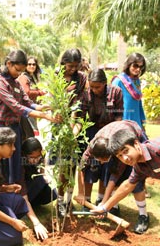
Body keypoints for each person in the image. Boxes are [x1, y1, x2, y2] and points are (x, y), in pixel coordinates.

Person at [0, 49, 61, 185]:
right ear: (8, 64)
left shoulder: (16, 83)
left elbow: (27, 102)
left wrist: (43, 107)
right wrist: (44, 116)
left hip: (13, 129)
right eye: (17, 70)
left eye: (21, 71)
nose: (19, 74)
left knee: (13, 167)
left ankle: (13, 197)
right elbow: (16, 107)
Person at [77, 120, 149, 233]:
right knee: (108, 171)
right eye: (98, 160)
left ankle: (143, 216)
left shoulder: (119, 150)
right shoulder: (93, 146)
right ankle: (114, 207)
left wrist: (104, 203)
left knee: (136, 179)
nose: (100, 163)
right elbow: (81, 166)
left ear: (111, 154)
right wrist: (81, 193)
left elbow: (114, 176)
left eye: (103, 160)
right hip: (114, 134)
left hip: (133, 138)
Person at [78, 68, 123, 214]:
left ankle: (102, 199)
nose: (94, 90)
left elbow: (118, 116)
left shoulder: (116, 92)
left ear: (105, 83)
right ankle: (87, 200)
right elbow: (81, 117)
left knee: (107, 166)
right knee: (91, 166)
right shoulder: (86, 94)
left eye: (97, 87)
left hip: (110, 132)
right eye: (91, 86)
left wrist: (112, 136)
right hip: (91, 132)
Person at [91, 129, 155, 233]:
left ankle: (143, 215)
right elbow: (127, 186)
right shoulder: (138, 167)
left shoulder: (156, 149)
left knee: (138, 187)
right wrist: (105, 207)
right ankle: (114, 208)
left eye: (126, 151)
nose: (125, 158)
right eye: (120, 156)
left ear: (136, 144)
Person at [54, 48, 87, 217]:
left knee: (73, 165)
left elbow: (79, 104)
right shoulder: (57, 75)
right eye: (70, 65)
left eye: (76, 66)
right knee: (62, 167)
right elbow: (53, 100)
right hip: (59, 124)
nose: (73, 69)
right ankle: (59, 203)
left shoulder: (81, 78)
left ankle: (68, 201)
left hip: (76, 124)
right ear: (63, 62)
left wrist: (74, 129)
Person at [111, 52, 150, 198]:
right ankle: (119, 187)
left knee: (142, 155)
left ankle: (141, 188)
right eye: (135, 66)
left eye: (140, 67)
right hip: (123, 123)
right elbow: (112, 102)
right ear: (128, 64)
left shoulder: (137, 82)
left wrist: (143, 123)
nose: (137, 69)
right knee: (122, 157)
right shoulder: (119, 80)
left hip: (137, 123)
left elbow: (138, 104)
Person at [19, 137, 57, 240]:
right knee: (40, 181)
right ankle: (25, 209)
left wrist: (43, 173)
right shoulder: (20, 164)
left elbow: (43, 158)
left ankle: (33, 205)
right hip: (21, 191)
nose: (35, 160)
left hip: (31, 185)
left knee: (53, 194)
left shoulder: (41, 155)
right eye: (32, 157)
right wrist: (36, 223)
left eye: (38, 157)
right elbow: (23, 195)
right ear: (24, 154)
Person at [18, 56, 47, 139]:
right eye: (29, 64)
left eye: (34, 64)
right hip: (27, 110)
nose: (32, 66)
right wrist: (39, 93)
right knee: (29, 136)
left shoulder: (33, 77)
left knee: (32, 134)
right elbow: (26, 92)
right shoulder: (24, 77)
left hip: (33, 108)